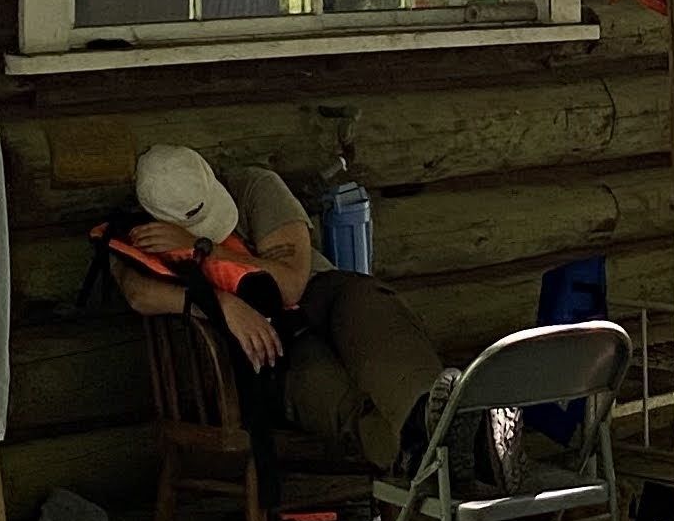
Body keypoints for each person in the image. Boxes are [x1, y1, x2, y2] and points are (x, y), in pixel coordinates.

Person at [98, 145, 447, 479]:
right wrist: (221, 305)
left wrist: (206, 249)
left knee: (375, 320)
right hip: (275, 347)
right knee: (329, 392)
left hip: (323, 293)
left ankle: (445, 422)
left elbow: (292, 283)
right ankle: (438, 455)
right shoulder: (139, 230)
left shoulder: (253, 186)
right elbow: (138, 293)